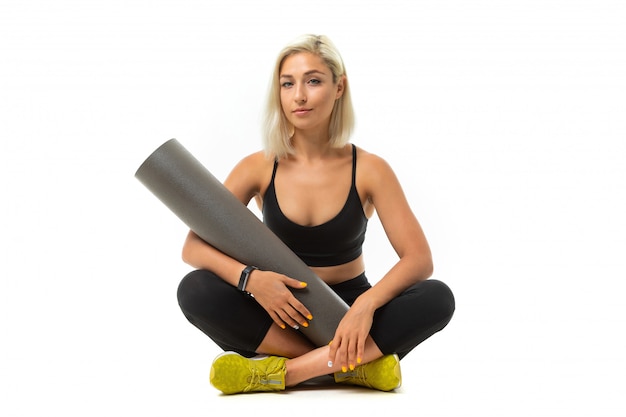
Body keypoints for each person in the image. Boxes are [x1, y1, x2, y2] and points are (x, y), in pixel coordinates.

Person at [176, 34, 455, 395]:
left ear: (339, 87)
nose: (299, 96)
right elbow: (193, 247)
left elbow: (419, 259)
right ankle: (354, 366)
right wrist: (252, 280)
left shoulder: (370, 169)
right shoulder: (257, 167)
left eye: (313, 81)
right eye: (287, 84)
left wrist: (365, 307)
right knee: (196, 289)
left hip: (348, 311)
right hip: (279, 312)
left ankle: (284, 374)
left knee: (438, 297)